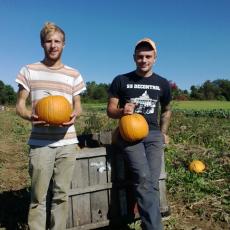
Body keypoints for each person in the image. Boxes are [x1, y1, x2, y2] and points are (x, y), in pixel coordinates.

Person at [15, 22, 86, 230]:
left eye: (57, 41)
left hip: (68, 142)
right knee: (38, 197)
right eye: (48, 41)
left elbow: (78, 107)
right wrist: (30, 116)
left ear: (64, 45)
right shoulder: (29, 71)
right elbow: (19, 105)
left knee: (61, 195)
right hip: (40, 143)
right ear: (42, 44)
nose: (53, 45)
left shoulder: (74, 74)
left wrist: (75, 114)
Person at [107, 38, 172, 230]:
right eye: (140, 56)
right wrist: (121, 111)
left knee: (151, 182)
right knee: (143, 178)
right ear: (134, 58)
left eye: (148, 56)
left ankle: (148, 224)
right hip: (129, 134)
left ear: (155, 58)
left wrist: (163, 132)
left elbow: (167, 109)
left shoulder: (162, 83)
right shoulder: (121, 80)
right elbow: (110, 110)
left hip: (152, 135)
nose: (144, 60)